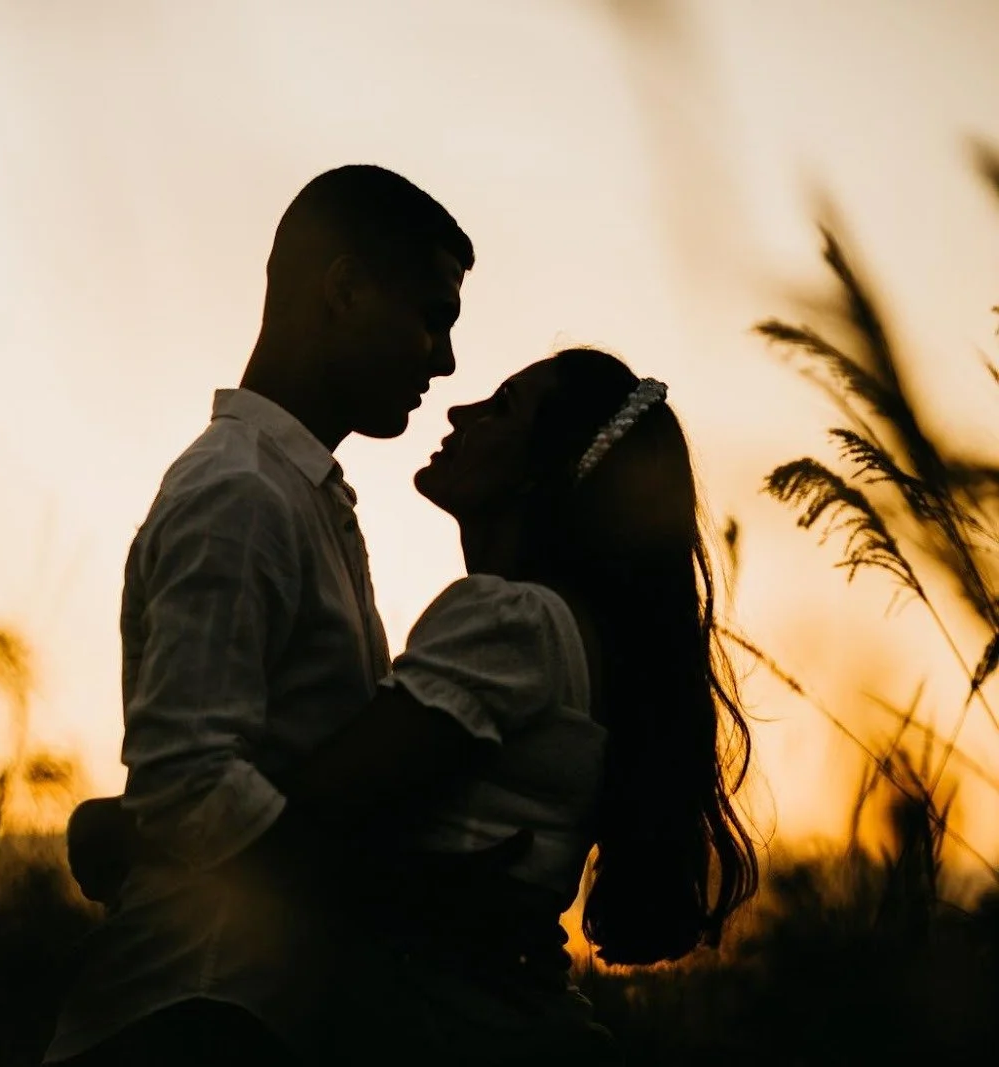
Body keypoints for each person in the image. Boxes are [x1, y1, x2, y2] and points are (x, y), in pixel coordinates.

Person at [67, 348, 762, 1065]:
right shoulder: (572, 636)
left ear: (539, 469)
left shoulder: (511, 621)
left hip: (454, 1031)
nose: (459, 410)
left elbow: (317, 816)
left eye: (500, 407)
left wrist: (125, 827)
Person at [41, 164, 473, 1067]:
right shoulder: (239, 493)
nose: (445, 360)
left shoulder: (294, 493)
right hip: (191, 1014)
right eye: (433, 317)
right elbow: (191, 778)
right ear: (346, 289)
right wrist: (390, 897)